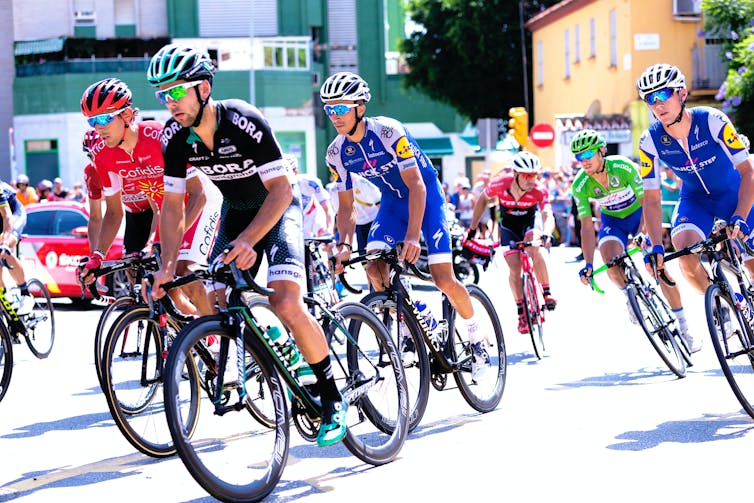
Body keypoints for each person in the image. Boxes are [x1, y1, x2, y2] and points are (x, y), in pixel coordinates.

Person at [145, 43, 348, 448]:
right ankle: (276, 349)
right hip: (235, 212)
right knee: (216, 300)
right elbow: (172, 207)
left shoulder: (242, 121)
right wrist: (167, 266)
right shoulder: (174, 138)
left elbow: (281, 190)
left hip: (278, 209)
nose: (169, 102)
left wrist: (249, 240)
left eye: (176, 92)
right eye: (162, 95)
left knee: (286, 302)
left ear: (203, 88)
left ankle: (331, 396)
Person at [321, 71, 491, 379]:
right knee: (373, 266)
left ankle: (477, 336)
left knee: (443, 279)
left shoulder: (388, 132)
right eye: (329, 109)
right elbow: (346, 207)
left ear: (360, 107)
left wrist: (413, 236)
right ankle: (409, 324)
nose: (335, 115)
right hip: (392, 205)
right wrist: (344, 246)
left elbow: (417, 186)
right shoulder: (336, 153)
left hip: (426, 198)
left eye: (341, 107)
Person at [78, 78, 221, 316]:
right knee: (167, 289)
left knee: (184, 271)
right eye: (92, 121)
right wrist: (97, 256)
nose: (98, 128)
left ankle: (218, 333)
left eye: (104, 118)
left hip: (200, 201)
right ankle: (198, 339)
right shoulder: (103, 156)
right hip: (169, 210)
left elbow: (199, 194)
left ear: (125, 116)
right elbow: (113, 213)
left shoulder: (158, 136)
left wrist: (165, 240)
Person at [637, 63, 754, 313]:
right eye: (649, 98)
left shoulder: (712, 120)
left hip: (733, 194)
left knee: (752, 265)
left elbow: (748, 172)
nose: (657, 103)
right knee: (685, 252)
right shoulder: (649, 141)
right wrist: (656, 246)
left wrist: (741, 216)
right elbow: (652, 200)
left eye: (663, 94)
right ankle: (726, 305)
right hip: (696, 199)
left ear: (682, 93)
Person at [570, 129, 699, 352]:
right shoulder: (579, 185)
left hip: (640, 215)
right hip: (613, 221)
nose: (584, 161)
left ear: (601, 151)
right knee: (609, 261)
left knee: (658, 268)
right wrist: (588, 264)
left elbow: (647, 201)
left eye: (588, 153)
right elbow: (587, 226)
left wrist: (644, 233)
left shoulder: (623, 166)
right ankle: (630, 297)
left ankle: (685, 327)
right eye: (579, 157)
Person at [469, 151, 557, 334]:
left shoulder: (539, 190)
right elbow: (483, 200)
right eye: (527, 175)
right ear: (515, 174)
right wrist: (472, 228)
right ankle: (521, 312)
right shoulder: (500, 184)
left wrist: (547, 233)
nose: (532, 179)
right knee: (515, 269)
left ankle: (547, 293)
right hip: (509, 227)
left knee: (536, 248)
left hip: (530, 224)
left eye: (534, 175)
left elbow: (548, 215)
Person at [0, 181, 35, 316]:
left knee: (5, 247)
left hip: (13, 213)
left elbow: (7, 216)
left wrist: (5, 241)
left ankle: (25, 293)